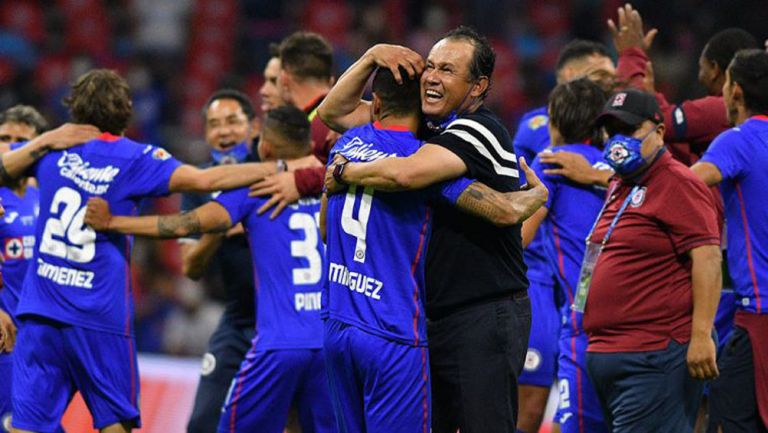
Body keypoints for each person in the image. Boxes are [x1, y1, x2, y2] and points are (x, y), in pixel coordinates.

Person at [6, 69, 315, 433]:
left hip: (42, 313)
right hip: (99, 317)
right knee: (115, 423)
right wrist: (282, 166)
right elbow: (205, 180)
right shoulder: (135, 157)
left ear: (75, 107)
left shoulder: (52, 151)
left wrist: (43, 142)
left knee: (25, 427)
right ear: (125, 111)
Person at [320, 26, 532, 432]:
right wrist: (370, 56)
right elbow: (333, 113)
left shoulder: (479, 129)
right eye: (430, 66)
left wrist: (345, 171)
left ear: (478, 85)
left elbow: (407, 174)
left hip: (483, 313)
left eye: (448, 70)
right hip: (430, 314)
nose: (432, 77)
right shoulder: (429, 129)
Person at [84, 104, 336, 433]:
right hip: (330, 343)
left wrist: (114, 222)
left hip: (279, 343)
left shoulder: (256, 186)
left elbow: (182, 224)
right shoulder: (336, 180)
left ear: (266, 145)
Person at [582, 89, 722, 433]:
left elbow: (707, 256)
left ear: (659, 132)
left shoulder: (677, 181)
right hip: (612, 353)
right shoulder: (620, 183)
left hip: (653, 354)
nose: (617, 139)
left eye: (628, 129)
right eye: (611, 130)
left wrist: (702, 334)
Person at [512, 39, 616, 433]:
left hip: (580, 312)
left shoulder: (550, 163)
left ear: (555, 123)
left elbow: (521, 234)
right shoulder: (625, 166)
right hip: (629, 313)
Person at [691, 49, 768, 433]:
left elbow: (682, 185)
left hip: (759, 314)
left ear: (735, 90)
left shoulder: (737, 140)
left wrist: (603, 176)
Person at [182, 89, 260, 433]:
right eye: (214, 124)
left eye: (232, 121)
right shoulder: (198, 184)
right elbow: (190, 268)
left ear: (253, 126)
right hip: (238, 319)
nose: (224, 131)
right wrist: (220, 222)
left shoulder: (270, 170)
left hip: (288, 319)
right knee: (202, 423)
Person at [0, 105, 51, 433]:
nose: (13, 146)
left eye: (23, 140)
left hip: (42, 338)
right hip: (5, 335)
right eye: (5, 138)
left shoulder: (48, 198)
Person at [250, 31, 338, 217]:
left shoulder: (326, 126)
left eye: (273, 81)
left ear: (284, 79)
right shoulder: (313, 120)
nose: (264, 90)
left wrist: (301, 180)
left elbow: (359, 172)